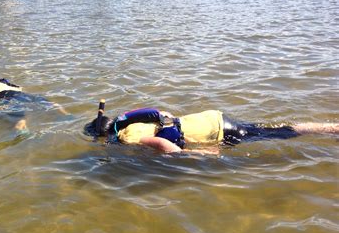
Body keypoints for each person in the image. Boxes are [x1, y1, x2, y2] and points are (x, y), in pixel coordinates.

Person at [84, 101, 339, 154]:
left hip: (219, 132)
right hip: (211, 117)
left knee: (282, 134)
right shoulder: (131, 121)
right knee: (274, 129)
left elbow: (164, 145)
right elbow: (165, 113)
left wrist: (198, 154)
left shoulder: (128, 137)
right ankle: (329, 129)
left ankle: (331, 130)